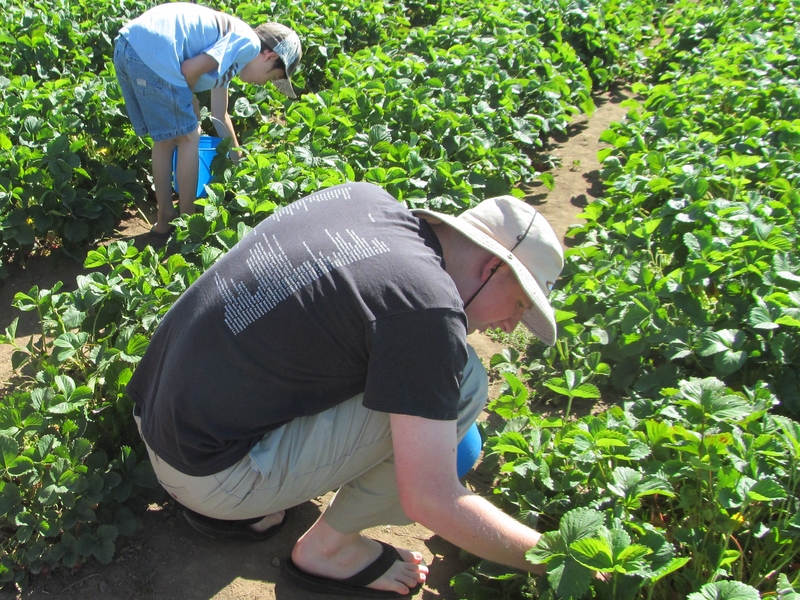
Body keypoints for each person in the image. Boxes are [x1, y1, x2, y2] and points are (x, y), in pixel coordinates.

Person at [127, 181, 565, 598]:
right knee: (464, 379)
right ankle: (330, 550)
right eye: (520, 303)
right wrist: (562, 559)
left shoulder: (366, 200)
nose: (510, 326)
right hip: (204, 475)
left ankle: (252, 502)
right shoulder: (428, 310)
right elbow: (431, 500)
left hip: (158, 414)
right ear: (493, 267)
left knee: (425, 376)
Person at [113, 3, 302, 239]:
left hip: (129, 47)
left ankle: (165, 219)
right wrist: (188, 100)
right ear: (269, 56)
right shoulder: (248, 43)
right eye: (272, 77)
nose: (264, 85)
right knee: (189, 136)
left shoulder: (229, 52)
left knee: (165, 140)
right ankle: (189, 222)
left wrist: (238, 165)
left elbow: (219, 113)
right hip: (155, 51)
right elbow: (189, 70)